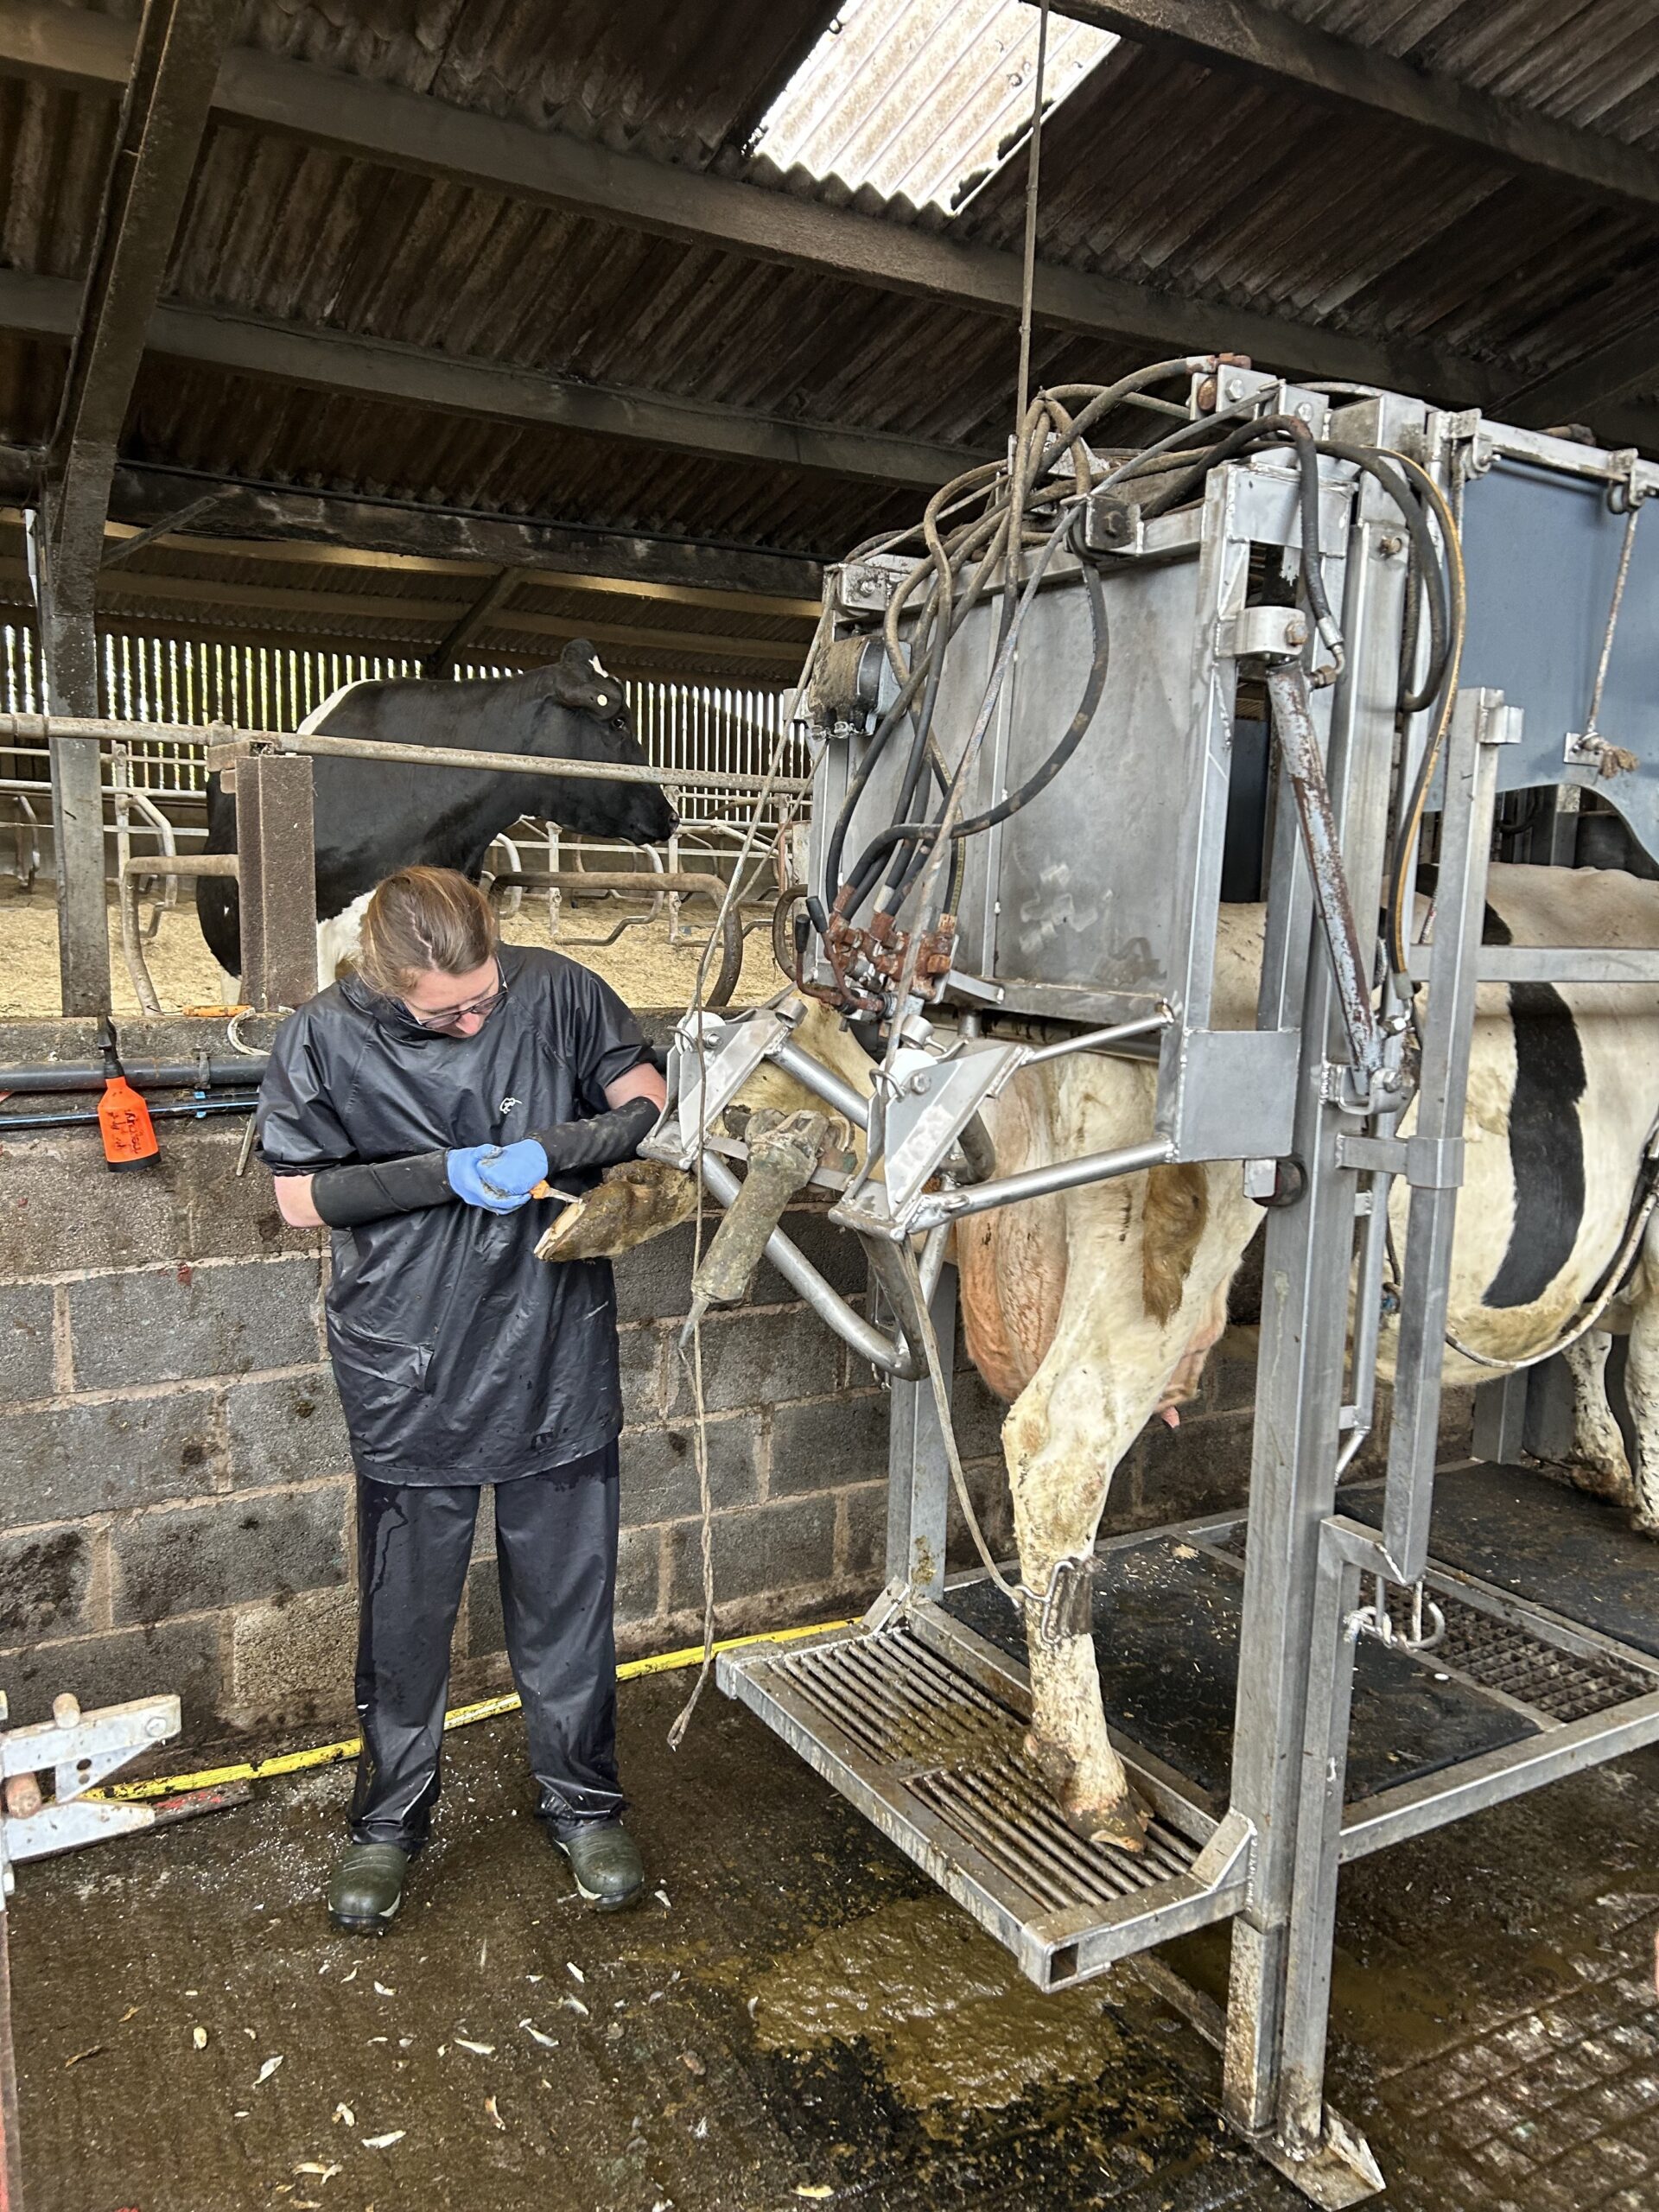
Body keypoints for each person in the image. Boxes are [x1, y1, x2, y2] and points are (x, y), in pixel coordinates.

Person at [256, 865, 667, 1931]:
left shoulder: (556, 990)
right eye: (450, 1011)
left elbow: (645, 1097)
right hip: (409, 1353)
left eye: (486, 994)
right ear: (385, 983)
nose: (479, 1016)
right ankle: (388, 1823)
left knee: (567, 1598)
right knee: (408, 1614)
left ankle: (584, 1803)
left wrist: (553, 1148)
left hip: (551, 1340)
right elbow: (300, 1198)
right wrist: (442, 1170)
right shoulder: (321, 1037)